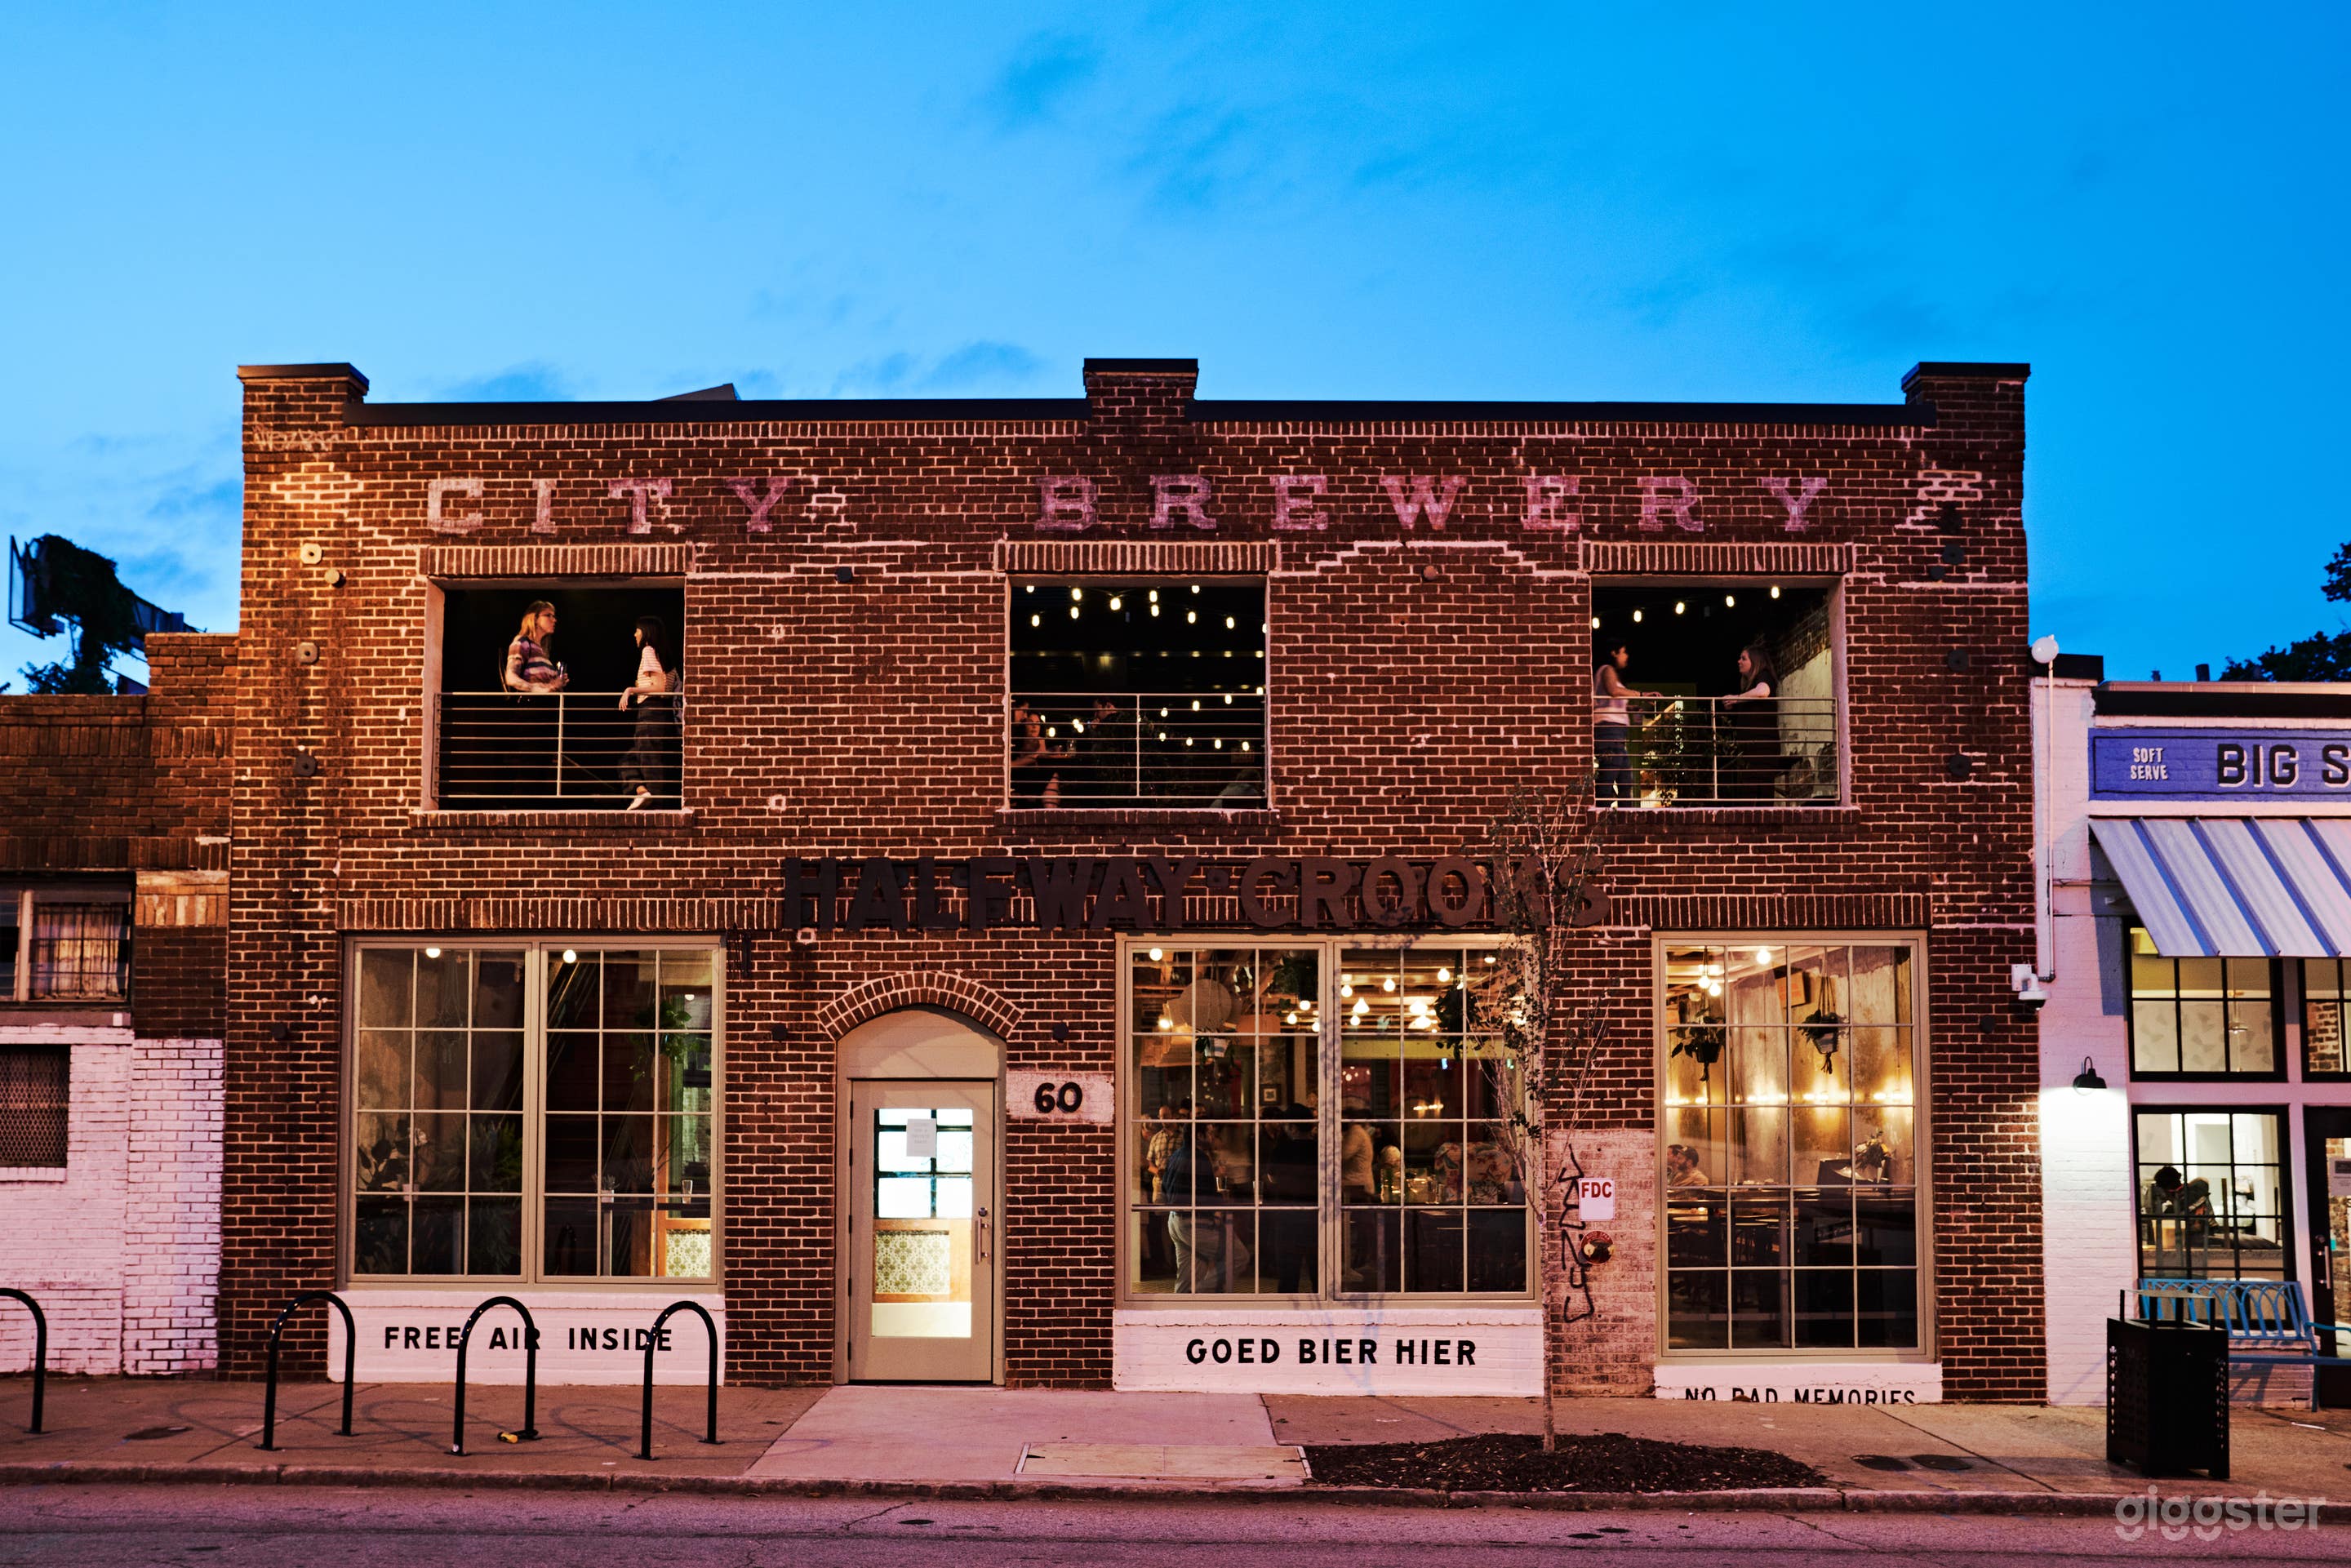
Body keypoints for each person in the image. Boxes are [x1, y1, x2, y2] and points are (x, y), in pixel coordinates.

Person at [617, 615, 680, 811]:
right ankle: (643, 793)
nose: (635, 634)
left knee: (650, 762)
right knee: (630, 759)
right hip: (660, 713)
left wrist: (630, 690)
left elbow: (659, 687)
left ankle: (656, 808)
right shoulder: (664, 655)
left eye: (637, 630)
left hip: (651, 712)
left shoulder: (648, 650)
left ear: (646, 631)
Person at [1592, 638, 1656, 805]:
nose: (1626, 656)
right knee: (1608, 778)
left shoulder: (1611, 674)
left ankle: (1625, 815)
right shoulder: (1607, 669)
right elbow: (1613, 691)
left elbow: (1613, 700)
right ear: (1614, 653)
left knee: (1625, 780)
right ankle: (1601, 814)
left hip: (1615, 732)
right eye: (1623, 652)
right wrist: (1642, 695)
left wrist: (1632, 708)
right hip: (1608, 731)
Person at [1719, 642, 1780, 800]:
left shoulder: (1764, 676)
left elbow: (1763, 691)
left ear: (1755, 661)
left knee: (1761, 792)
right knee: (1750, 792)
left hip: (1762, 747)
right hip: (1751, 748)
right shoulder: (1748, 686)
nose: (1739, 661)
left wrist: (1737, 699)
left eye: (1743, 658)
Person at [503, 601, 569, 693]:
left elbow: (547, 688)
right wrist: (539, 690)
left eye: (554, 616)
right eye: (548, 615)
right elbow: (511, 678)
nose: (554, 620)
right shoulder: (522, 642)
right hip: (532, 701)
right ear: (535, 619)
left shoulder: (541, 651)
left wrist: (556, 684)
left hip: (544, 702)